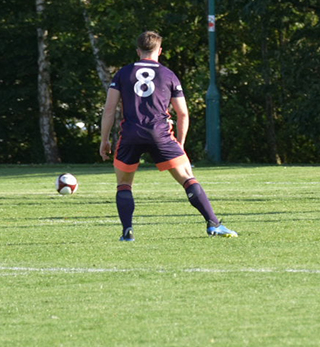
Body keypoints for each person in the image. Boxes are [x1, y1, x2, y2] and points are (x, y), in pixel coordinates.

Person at [99, 30, 237, 240]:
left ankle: (127, 232)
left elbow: (109, 110)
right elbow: (182, 113)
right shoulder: (168, 75)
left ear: (138, 51)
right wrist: (179, 143)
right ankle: (213, 224)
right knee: (187, 178)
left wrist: (104, 140)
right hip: (160, 134)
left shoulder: (122, 74)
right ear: (159, 51)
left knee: (124, 184)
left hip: (131, 134)